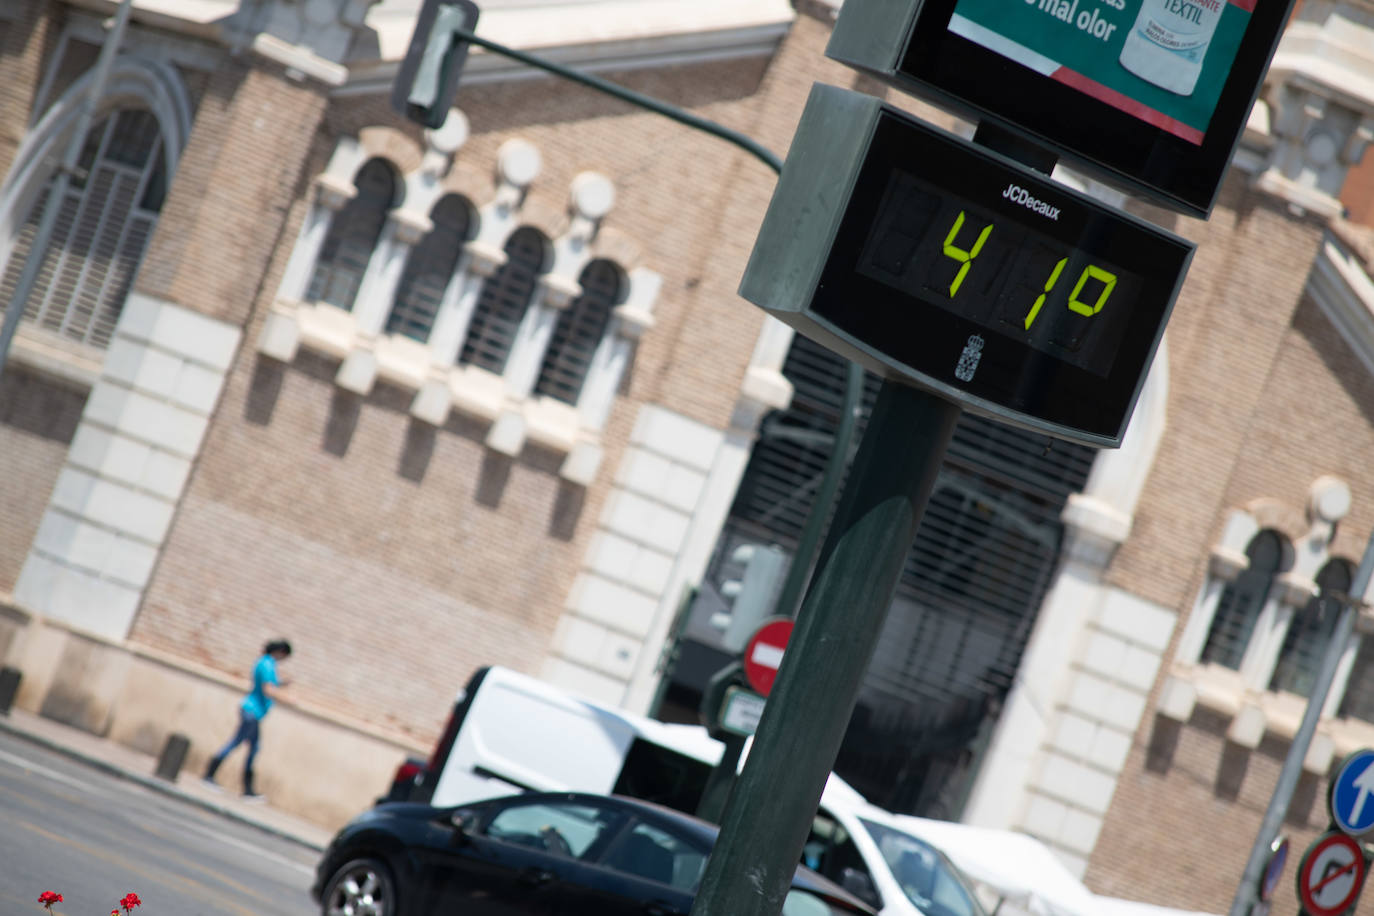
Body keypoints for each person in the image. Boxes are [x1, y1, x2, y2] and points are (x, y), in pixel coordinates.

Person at [203, 639, 292, 801]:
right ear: (281, 652)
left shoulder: (265, 663)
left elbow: (270, 684)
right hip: (252, 711)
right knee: (237, 743)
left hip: (254, 712)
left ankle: (247, 789)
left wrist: (282, 683)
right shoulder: (267, 664)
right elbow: (267, 689)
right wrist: (288, 700)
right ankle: (210, 775)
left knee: (253, 748)